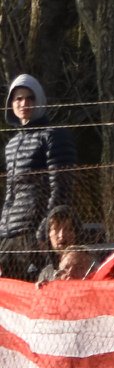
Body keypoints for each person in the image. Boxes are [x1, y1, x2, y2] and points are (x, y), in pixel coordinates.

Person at [0, 76, 75, 279]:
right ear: (10, 103)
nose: (24, 103)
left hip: (36, 233)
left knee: (43, 285)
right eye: (18, 98)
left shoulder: (54, 136)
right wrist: (3, 230)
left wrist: (44, 231)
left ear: (40, 100)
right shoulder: (11, 145)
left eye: (30, 98)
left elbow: (61, 188)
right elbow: (10, 193)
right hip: (9, 235)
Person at [32, 205, 82, 284]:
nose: (61, 235)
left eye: (68, 229)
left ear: (76, 233)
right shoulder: (47, 273)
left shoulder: (88, 266)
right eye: (56, 229)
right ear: (48, 235)